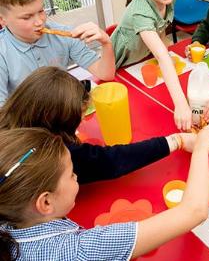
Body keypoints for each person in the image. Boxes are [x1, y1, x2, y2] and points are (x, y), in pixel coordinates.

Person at [0, 126, 209, 261]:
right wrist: (201, 148)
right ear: (46, 202)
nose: (77, 175)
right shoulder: (80, 253)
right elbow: (194, 211)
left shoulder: (6, 219)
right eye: (71, 174)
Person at [0, 66, 196, 184]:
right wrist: (177, 140)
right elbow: (110, 161)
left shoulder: (14, 118)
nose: (81, 121)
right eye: (77, 117)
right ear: (55, 122)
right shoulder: (48, 153)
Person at [0, 0, 116, 106]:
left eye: (41, 11)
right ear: (2, 20)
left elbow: (106, 74)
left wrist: (106, 43)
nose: (40, 21)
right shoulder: (2, 53)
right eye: (27, 17)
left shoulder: (64, 35)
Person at [111, 0, 191, 130]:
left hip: (141, 63)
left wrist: (168, 53)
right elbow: (162, 56)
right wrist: (181, 105)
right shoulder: (141, 12)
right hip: (120, 70)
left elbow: (160, 29)